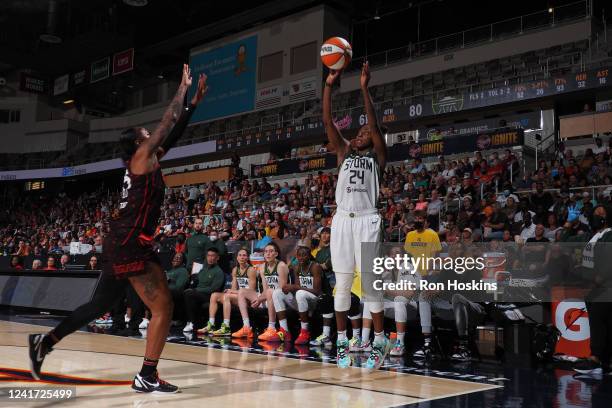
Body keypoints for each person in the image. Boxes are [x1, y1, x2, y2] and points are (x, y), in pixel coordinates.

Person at [28, 64, 208, 393]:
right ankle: (147, 375)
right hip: (130, 242)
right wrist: (181, 90)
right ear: (139, 141)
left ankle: (44, 343)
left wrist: (193, 104)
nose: (149, 133)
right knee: (163, 306)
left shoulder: (148, 159)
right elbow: (167, 123)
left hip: (123, 240)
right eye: (145, 132)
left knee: (98, 306)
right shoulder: (141, 157)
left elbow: (175, 133)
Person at [323, 61, 389, 369]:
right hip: (342, 219)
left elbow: (374, 126)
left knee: (372, 283)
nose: (363, 133)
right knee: (343, 283)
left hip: (368, 219)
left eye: (367, 132)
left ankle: (379, 341)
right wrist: (327, 88)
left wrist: (364, 88)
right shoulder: (343, 153)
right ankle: (341, 343)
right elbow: (328, 123)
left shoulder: (378, 157)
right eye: (360, 132)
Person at [231, 242, 288, 340]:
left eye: (271, 251)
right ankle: (246, 327)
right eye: (266, 252)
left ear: (276, 254)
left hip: (283, 298)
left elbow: (282, 288)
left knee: (271, 292)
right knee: (242, 292)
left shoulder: (281, 265)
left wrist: (260, 300)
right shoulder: (262, 267)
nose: (268, 254)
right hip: (268, 296)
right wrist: (260, 299)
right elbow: (265, 290)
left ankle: (271, 327)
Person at [270, 246, 322, 344]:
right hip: (302, 300)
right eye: (299, 255)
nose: (301, 258)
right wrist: (290, 288)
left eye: (304, 255)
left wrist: (296, 287)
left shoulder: (315, 267)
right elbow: (297, 286)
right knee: (277, 292)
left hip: (315, 301)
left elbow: (317, 291)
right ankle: (284, 330)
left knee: (300, 293)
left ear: (309, 256)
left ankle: (305, 332)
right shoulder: (297, 266)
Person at [199, 248, 256, 336]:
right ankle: (211, 324)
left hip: (248, 299)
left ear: (248, 258)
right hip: (238, 296)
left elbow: (252, 291)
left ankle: (226, 327)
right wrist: (231, 291)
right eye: (240, 255)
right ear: (237, 257)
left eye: (244, 255)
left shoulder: (251, 270)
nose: (242, 257)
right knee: (214, 295)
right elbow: (233, 289)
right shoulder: (235, 270)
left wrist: (233, 292)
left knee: (227, 296)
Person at [182, 247, 225, 333]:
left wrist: (196, 290)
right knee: (185, 293)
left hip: (211, 296)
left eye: (213, 256)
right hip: (199, 294)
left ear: (217, 258)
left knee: (189, 294)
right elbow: (196, 282)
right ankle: (191, 322)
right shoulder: (203, 269)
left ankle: (191, 322)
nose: (210, 258)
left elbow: (214, 289)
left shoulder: (219, 272)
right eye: (209, 255)